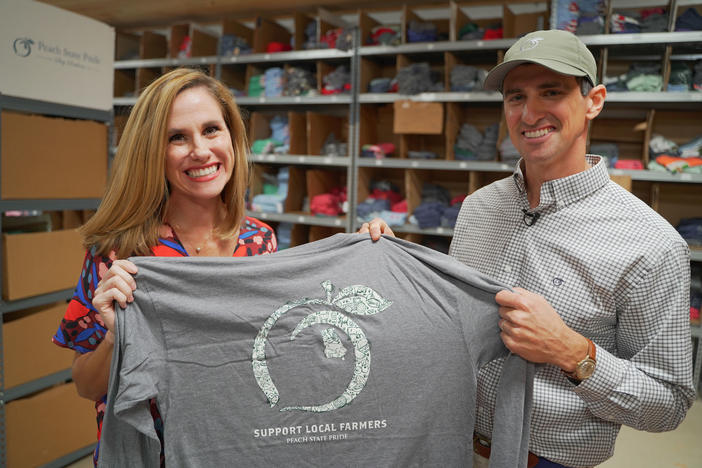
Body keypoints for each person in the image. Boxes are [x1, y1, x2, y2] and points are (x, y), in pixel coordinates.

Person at [361, 29, 695, 468]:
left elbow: (668, 404)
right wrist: (393, 265)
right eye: (515, 97)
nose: (530, 112)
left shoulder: (652, 244)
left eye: (550, 92)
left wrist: (573, 352)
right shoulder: (479, 208)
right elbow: (452, 325)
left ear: (593, 100)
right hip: (448, 442)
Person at [52, 68, 277, 465]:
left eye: (211, 130)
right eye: (177, 137)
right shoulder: (120, 253)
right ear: (152, 151)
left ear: (232, 137)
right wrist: (117, 336)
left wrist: (368, 251)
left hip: (238, 446)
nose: (201, 151)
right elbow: (86, 386)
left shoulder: (259, 240)